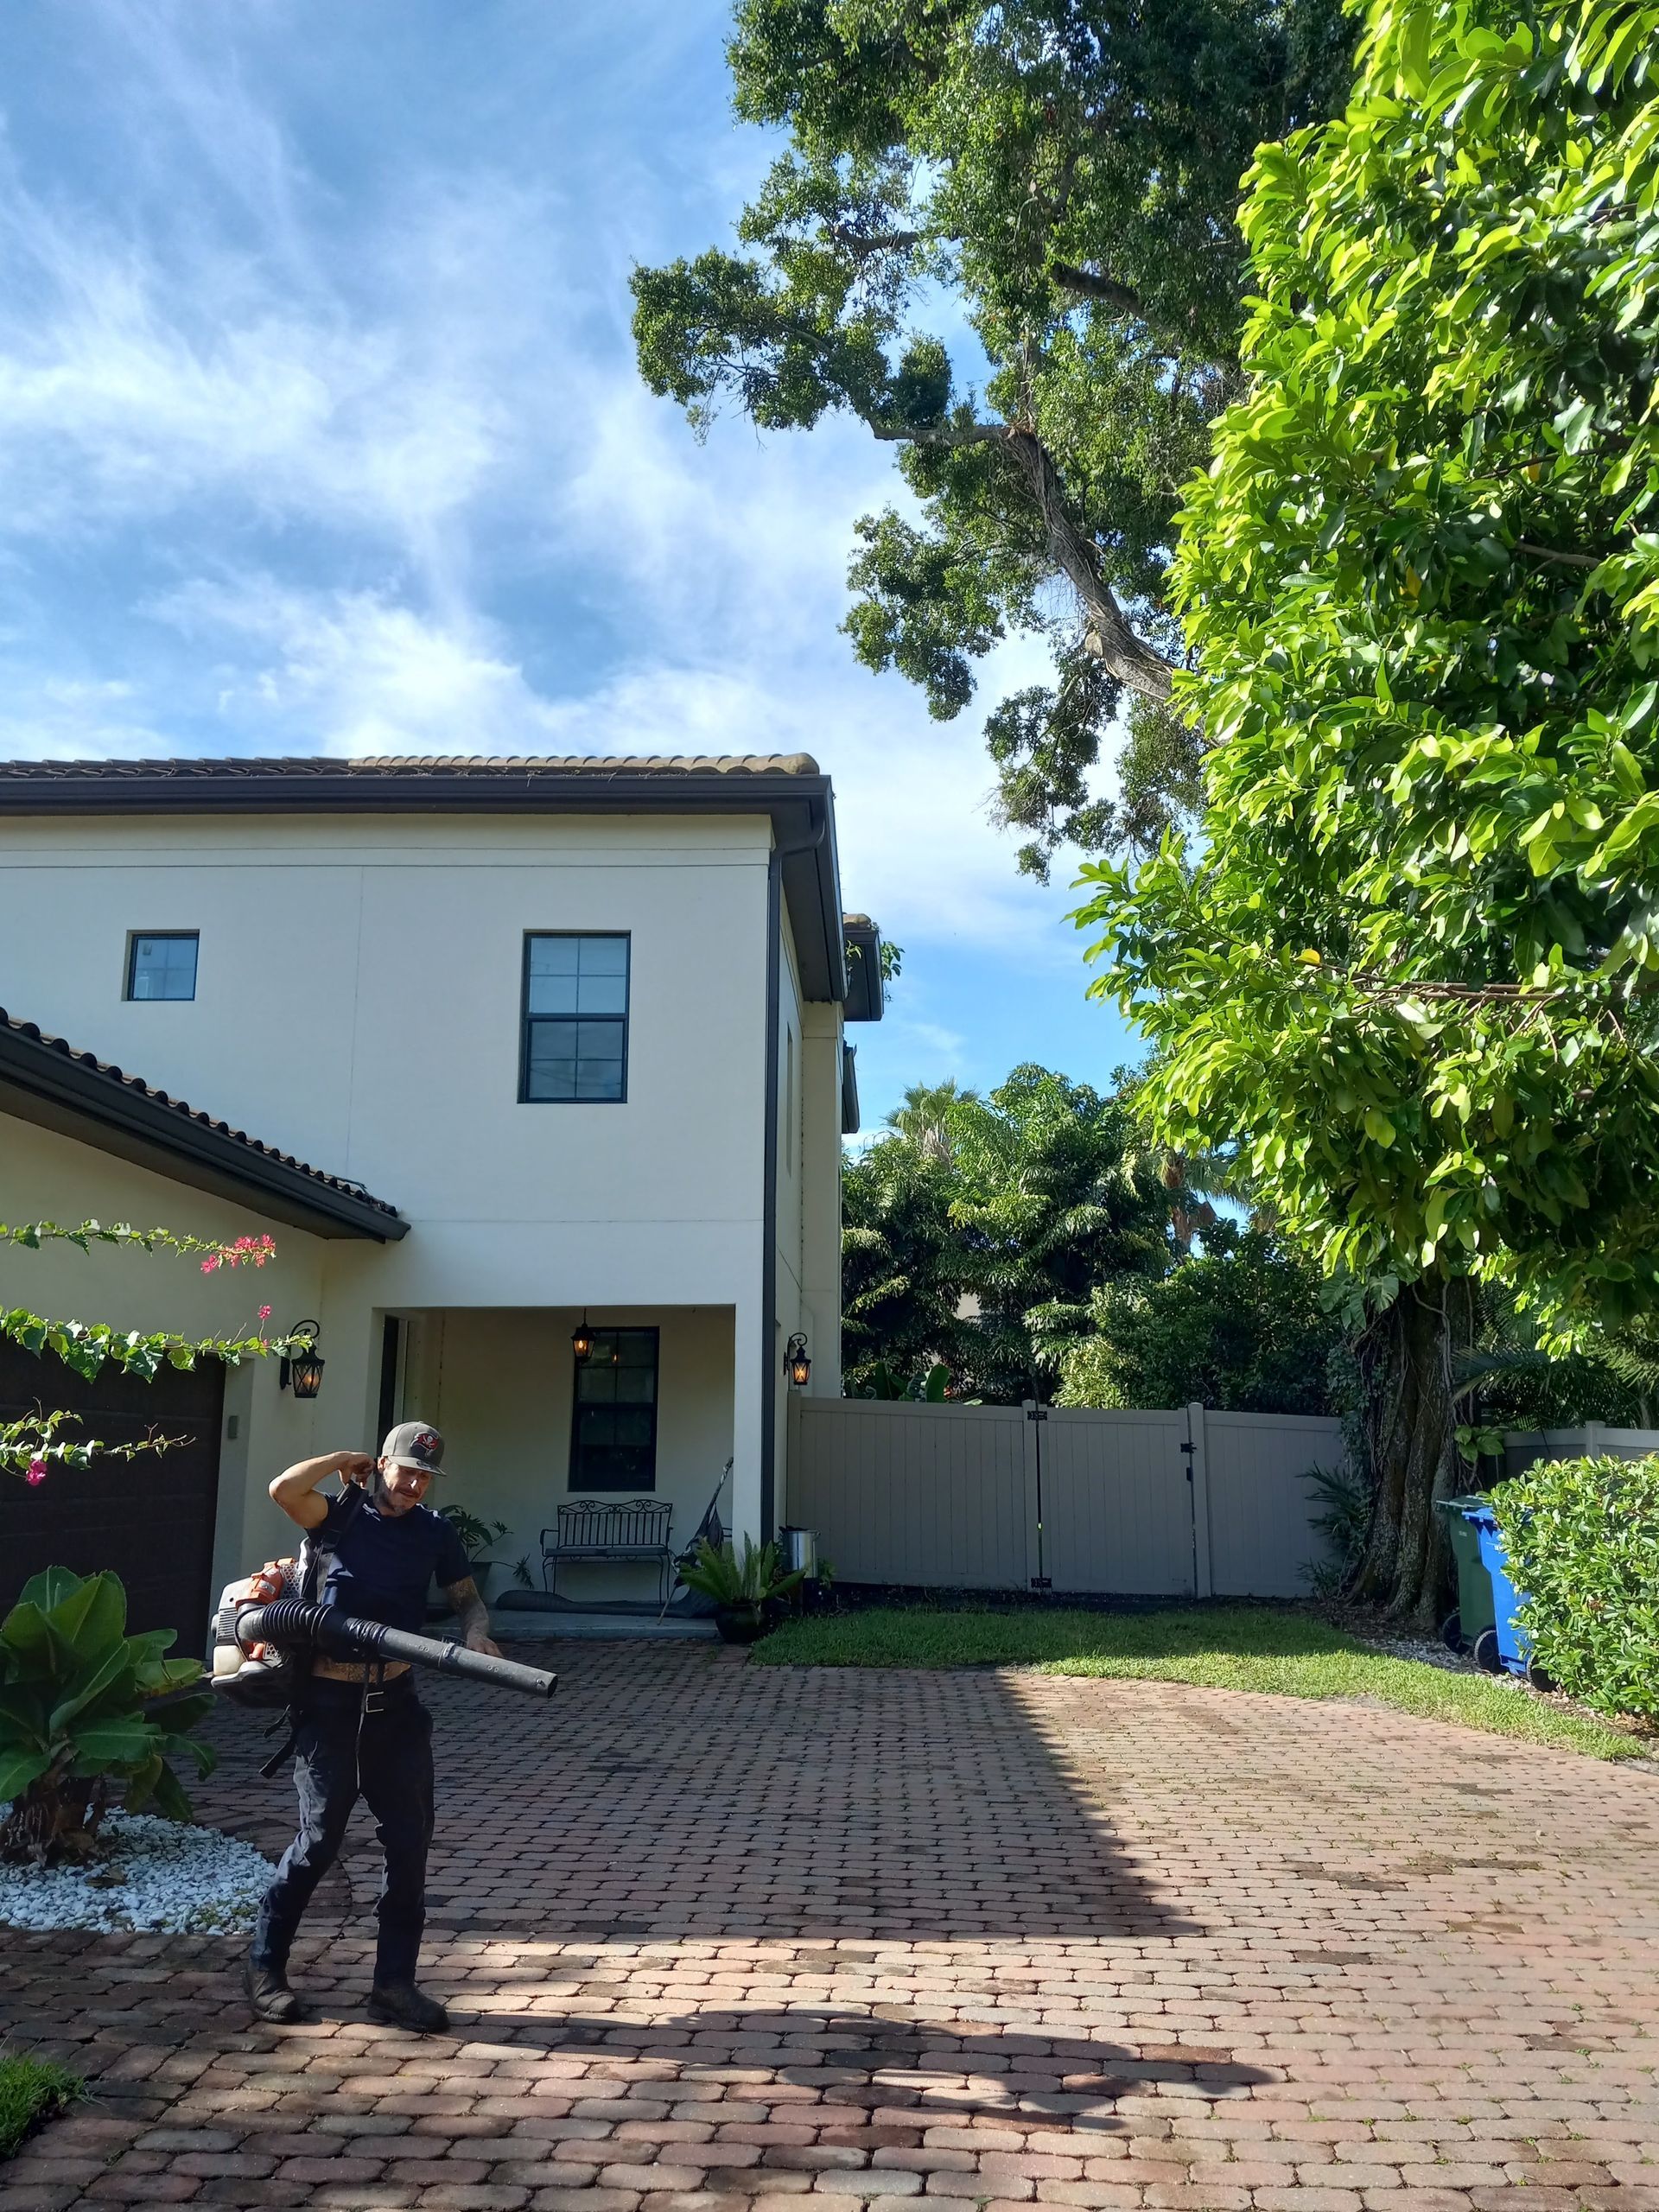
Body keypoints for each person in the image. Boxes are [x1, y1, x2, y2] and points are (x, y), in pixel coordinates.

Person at [243, 1421, 500, 2031]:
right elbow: (282, 1489)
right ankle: (264, 1968)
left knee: (409, 1845)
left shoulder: (436, 1533)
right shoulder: (338, 1517)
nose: (413, 1484)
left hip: (397, 1706)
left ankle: (394, 1986)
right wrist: (340, 1459)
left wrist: (476, 1630)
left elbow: (466, 1597)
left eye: (425, 1476)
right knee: (317, 1845)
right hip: (328, 1707)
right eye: (405, 1469)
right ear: (382, 1464)